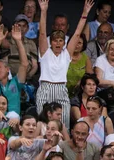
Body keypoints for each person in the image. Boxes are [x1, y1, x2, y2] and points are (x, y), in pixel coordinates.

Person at [36, 0, 93, 129]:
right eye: (55, 40)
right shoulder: (45, 53)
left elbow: (78, 33)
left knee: (64, 125)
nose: (57, 43)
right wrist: (44, 11)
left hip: (61, 89)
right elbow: (42, 33)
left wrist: (85, 13)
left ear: (64, 43)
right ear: (51, 42)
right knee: (43, 125)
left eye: (61, 40)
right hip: (46, 87)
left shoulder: (66, 54)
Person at [0, 25, 28, 115]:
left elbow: (24, 64)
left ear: (8, 69)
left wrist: (18, 41)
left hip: (13, 124)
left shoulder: (16, 82)